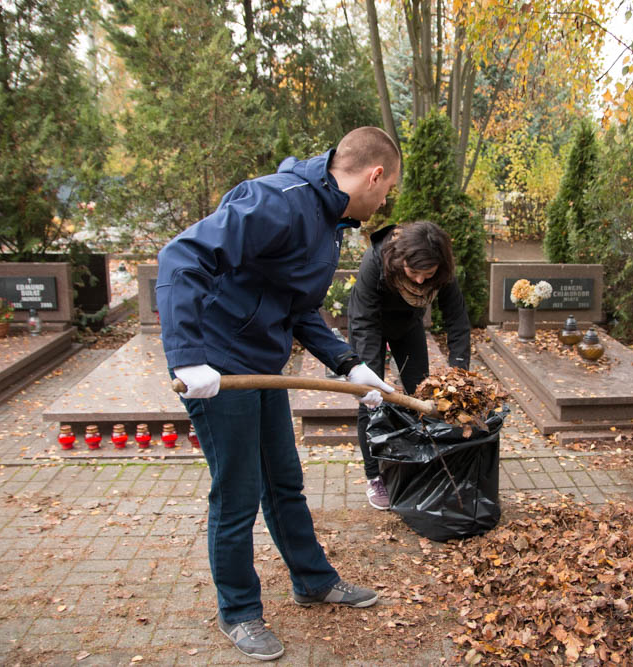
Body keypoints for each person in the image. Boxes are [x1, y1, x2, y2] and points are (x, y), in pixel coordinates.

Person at [156, 127, 400, 661]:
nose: (384, 203)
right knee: (238, 493)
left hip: (263, 368)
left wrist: (348, 364)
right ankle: (240, 612)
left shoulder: (329, 218)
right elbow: (180, 258)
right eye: (387, 191)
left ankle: (313, 581)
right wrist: (187, 357)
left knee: (283, 481)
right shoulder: (278, 200)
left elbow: (298, 308)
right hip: (219, 370)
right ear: (373, 174)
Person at [347, 220, 471, 510]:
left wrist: (458, 370)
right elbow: (363, 322)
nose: (419, 281)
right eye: (413, 273)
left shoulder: (442, 268)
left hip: (408, 324)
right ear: (401, 260)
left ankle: (419, 461)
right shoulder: (376, 260)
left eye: (426, 275)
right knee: (372, 400)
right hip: (370, 325)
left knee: (422, 392)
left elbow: (457, 319)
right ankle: (374, 475)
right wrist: (368, 378)